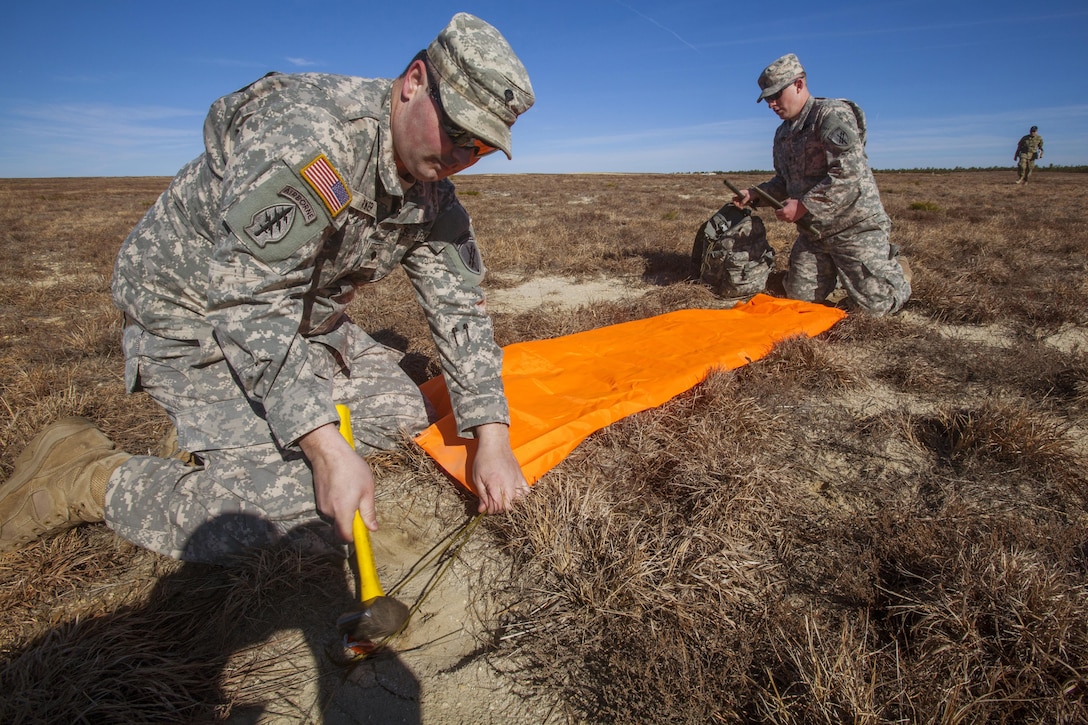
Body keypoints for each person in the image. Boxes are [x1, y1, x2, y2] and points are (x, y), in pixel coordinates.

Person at [0, 13, 535, 562]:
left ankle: (221, 436)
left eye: (481, 148)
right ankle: (86, 474)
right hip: (194, 321)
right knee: (296, 514)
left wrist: (490, 437)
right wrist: (325, 448)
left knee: (404, 411)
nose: (460, 157)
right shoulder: (309, 135)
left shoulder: (432, 193)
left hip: (296, 324)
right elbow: (246, 301)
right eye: (457, 131)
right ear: (414, 82)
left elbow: (460, 310)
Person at [732, 53, 910, 316]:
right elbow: (784, 180)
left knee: (876, 307)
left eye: (775, 96)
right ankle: (843, 271)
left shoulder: (832, 114)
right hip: (815, 235)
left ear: (799, 85)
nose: (771, 104)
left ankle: (895, 270)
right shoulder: (783, 134)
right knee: (797, 300)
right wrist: (756, 194)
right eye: (767, 99)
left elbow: (849, 172)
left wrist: (803, 206)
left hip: (855, 228)